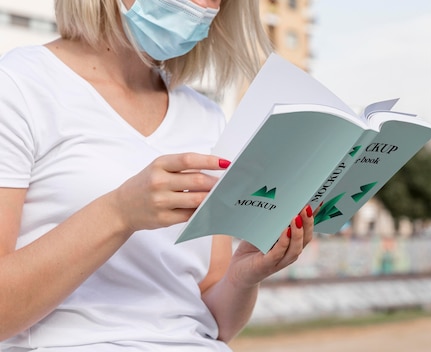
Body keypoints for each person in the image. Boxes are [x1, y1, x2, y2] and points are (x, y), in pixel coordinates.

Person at [0, 0, 314, 350]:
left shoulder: (206, 116)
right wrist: (119, 213)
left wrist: (243, 276)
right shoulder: (17, 85)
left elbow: (213, 322)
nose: (207, 5)